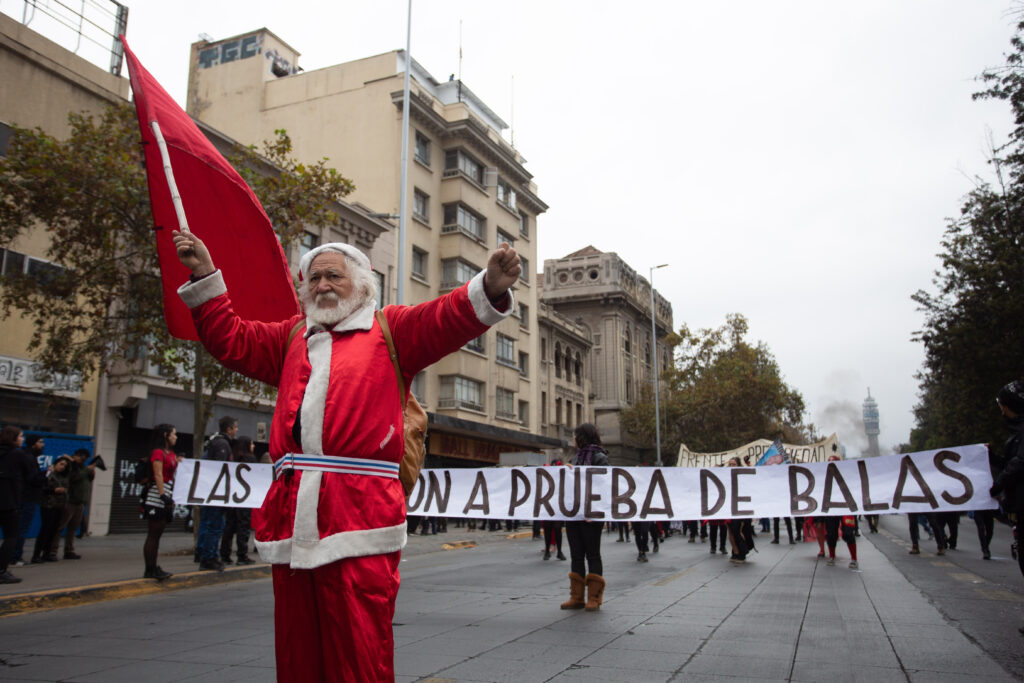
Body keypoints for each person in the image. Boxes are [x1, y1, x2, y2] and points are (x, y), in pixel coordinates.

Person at [172, 228, 519, 682]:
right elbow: (231, 340)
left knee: (358, 651)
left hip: (360, 516)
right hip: (292, 515)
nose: (321, 286)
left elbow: (446, 316)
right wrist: (205, 276)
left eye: (332, 276)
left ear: (361, 284)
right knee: (297, 652)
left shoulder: (392, 329)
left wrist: (490, 285)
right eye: (313, 279)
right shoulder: (291, 336)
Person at [559, 423, 610, 611]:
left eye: (575, 436)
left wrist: (594, 510)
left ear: (582, 437)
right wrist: (568, 472)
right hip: (574, 515)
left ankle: (594, 598)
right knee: (576, 554)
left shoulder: (600, 458)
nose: (573, 439)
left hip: (591, 516)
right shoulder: (576, 458)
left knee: (593, 554)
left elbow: (603, 486)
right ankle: (577, 597)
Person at [991, 379, 1024, 582]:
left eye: (1002, 404)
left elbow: (1020, 463)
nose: (1001, 410)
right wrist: (989, 456)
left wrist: (998, 484)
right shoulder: (1017, 434)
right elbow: (1011, 463)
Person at [196, 415, 237, 571]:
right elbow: (221, 470)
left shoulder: (213, 442)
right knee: (215, 525)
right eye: (235, 427)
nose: (236, 430)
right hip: (216, 494)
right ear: (229, 429)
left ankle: (203, 554)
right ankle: (210, 557)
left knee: (208, 524)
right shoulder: (222, 444)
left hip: (209, 492)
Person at [0, 425, 40, 583]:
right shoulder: (18, 454)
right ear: (14, 438)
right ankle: (2, 570)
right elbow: (32, 476)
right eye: (21, 436)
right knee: (11, 537)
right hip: (10, 502)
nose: (23, 439)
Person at [141, 424, 178, 580]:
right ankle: (149, 569)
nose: (175, 437)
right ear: (165, 435)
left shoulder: (170, 453)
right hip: (156, 496)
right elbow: (158, 474)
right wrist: (162, 495)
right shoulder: (157, 453)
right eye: (173, 434)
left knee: (158, 533)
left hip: (166, 494)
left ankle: (153, 566)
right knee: (153, 534)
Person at [50, 449, 95, 560]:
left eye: (85, 458)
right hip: (69, 501)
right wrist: (86, 470)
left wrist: (91, 472)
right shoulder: (69, 466)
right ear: (75, 456)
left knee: (73, 528)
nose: (83, 459)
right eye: (81, 457)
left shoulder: (83, 467)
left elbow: (87, 480)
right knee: (60, 527)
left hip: (80, 503)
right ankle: (52, 551)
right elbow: (73, 478)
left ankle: (69, 550)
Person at [221, 435, 257, 566]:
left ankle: (225, 554)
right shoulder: (250, 459)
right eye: (252, 444)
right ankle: (242, 554)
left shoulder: (233, 458)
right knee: (243, 527)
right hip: (245, 497)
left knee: (229, 526)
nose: (253, 446)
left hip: (232, 497)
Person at [11, 435, 45, 567]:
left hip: (22, 497)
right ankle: (15, 556)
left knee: (18, 528)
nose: (42, 445)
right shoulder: (29, 457)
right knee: (21, 528)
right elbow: (32, 479)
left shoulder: (26, 456)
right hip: (27, 497)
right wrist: (46, 474)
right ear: (33, 444)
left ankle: (14, 555)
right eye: (40, 442)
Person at [33, 456, 70, 564]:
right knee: (45, 529)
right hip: (48, 504)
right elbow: (42, 486)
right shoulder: (49, 473)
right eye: (61, 464)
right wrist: (54, 490)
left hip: (59, 505)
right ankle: (36, 554)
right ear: (56, 464)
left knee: (53, 530)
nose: (63, 467)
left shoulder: (63, 477)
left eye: (65, 466)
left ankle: (46, 553)